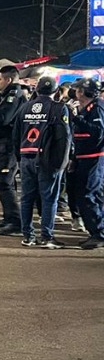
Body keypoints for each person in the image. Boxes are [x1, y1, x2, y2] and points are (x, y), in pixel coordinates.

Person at [15, 76, 72, 248]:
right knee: (49, 199)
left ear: (36, 89)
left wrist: (20, 158)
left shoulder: (24, 108)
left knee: (26, 199)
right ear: (56, 92)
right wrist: (63, 161)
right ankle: (47, 237)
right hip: (48, 159)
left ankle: (28, 236)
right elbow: (64, 137)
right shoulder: (59, 108)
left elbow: (16, 135)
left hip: (26, 156)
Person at [0, 66, 29, 236]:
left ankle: (15, 222)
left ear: (9, 80)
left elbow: (2, 119)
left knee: (4, 182)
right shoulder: (2, 96)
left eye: (0, 79)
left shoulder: (14, 96)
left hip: (8, 145)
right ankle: (8, 217)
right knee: (3, 182)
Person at [70, 79, 104, 250]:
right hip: (84, 156)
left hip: (94, 157)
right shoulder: (86, 108)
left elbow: (97, 132)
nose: (76, 92)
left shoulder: (96, 107)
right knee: (87, 194)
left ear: (82, 92)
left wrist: (75, 119)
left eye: (78, 89)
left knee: (89, 194)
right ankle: (96, 231)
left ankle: (98, 233)